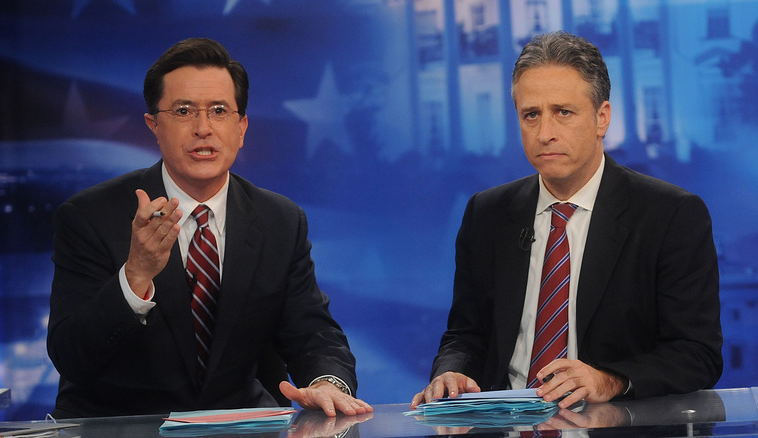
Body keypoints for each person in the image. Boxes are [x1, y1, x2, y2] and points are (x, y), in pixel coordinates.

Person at [47, 37, 372, 418]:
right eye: (183, 111)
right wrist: (135, 276)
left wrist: (326, 383)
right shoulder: (90, 216)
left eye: (219, 111)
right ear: (153, 125)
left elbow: (314, 334)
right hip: (125, 426)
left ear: (242, 127)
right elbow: (72, 357)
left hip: (242, 426)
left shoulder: (279, 220)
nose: (203, 128)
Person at [411, 31, 722, 410]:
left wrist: (609, 380)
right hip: (505, 424)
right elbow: (465, 334)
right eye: (531, 115)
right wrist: (452, 371)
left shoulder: (671, 215)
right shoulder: (487, 214)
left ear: (601, 118)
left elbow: (697, 354)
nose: (545, 133)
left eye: (563, 112)